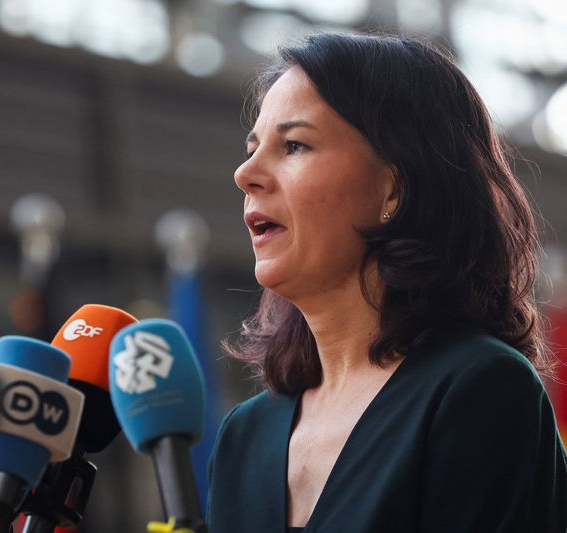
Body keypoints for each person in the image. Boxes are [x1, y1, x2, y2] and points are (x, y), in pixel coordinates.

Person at [207, 33, 567, 533]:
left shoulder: (478, 389)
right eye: (252, 149)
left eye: (294, 145)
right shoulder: (242, 436)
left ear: (394, 188)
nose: (245, 174)